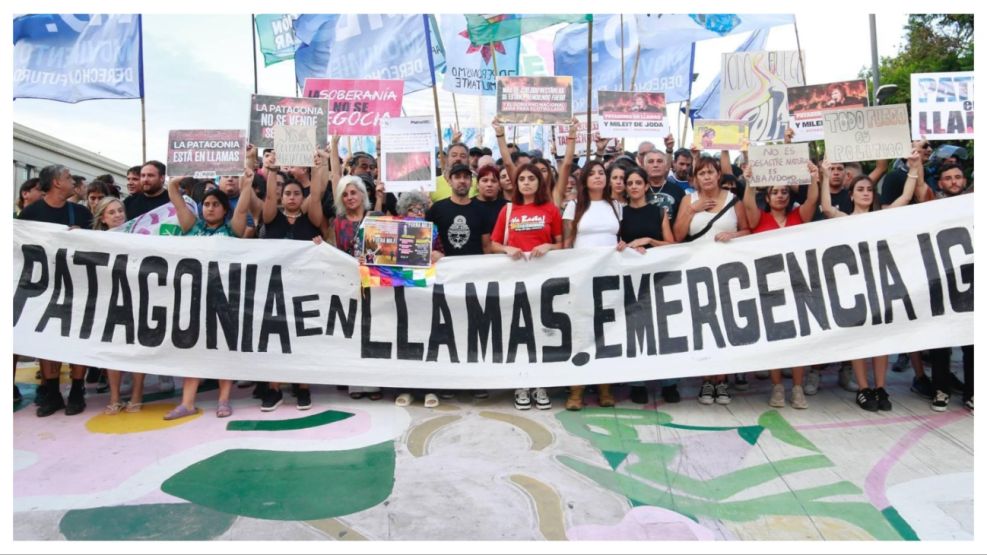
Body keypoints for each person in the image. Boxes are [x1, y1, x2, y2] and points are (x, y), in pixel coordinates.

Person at [820, 151, 921, 412]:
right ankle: (864, 388)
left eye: (869, 189)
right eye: (860, 189)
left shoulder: (883, 215)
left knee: (882, 338)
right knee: (860, 338)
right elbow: (828, 208)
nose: (866, 193)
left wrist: (913, 167)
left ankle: (880, 387)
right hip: (855, 286)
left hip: (881, 284)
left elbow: (906, 197)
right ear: (851, 195)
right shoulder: (844, 218)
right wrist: (822, 175)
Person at [161, 170, 252, 421]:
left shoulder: (233, 229)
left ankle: (223, 400)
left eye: (215, 205)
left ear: (224, 210)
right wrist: (177, 180)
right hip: (195, 298)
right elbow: (175, 197)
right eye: (206, 204)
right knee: (194, 348)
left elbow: (243, 208)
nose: (210, 208)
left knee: (224, 349)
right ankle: (187, 403)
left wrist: (248, 182)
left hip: (225, 298)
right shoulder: (191, 226)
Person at [254, 145, 329, 412]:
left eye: (297, 193)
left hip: (304, 288)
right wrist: (272, 171)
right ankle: (274, 390)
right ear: (281, 196)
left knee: (303, 337)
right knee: (275, 338)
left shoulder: (311, 217)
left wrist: (321, 165)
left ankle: (303, 388)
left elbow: (317, 193)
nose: (293, 197)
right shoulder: (271, 216)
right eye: (288, 193)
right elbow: (269, 199)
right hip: (274, 288)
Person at [672, 156, 751, 406]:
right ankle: (707, 380)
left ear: (718, 175)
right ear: (695, 178)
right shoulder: (688, 200)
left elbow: (748, 230)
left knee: (726, 325)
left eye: (710, 172)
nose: (706, 177)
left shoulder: (733, 200)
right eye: (701, 173)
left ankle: (722, 380)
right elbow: (677, 235)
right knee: (704, 326)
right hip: (698, 272)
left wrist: (734, 234)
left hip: (728, 272)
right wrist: (692, 210)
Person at [742, 161, 820, 409]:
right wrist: (749, 182)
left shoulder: (799, 216)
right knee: (775, 339)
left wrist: (814, 178)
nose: (780, 195)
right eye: (775, 192)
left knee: (798, 339)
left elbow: (812, 201)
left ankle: (797, 389)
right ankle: (777, 387)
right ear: (768, 195)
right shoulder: (759, 218)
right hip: (768, 287)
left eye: (784, 191)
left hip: (797, 285)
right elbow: (747, 204)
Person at [18, 165, 94, 417]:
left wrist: (82, 237)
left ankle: (76, 390)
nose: (73, 181)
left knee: (77, 338)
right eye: (68, 178)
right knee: (48, 339)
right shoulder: (31, 213)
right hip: (44, 286)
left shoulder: (81, 213)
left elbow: (98, 247)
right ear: (56, 183)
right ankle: (51, 393)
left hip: (78, 286)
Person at [490, 163, 563, 411]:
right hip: (515, 282)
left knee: (542, 332)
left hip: (544, 282)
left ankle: (540, 384)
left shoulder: (550, 210)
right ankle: (520, 384)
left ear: (539, 182)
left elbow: (561, 244)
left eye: (532, 178)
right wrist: (506, 248)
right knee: (518, 333)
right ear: (516, 183)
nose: (527, 182)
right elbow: (493, 243)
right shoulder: (508, 210)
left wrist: (549, 247)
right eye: (522, 178)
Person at [560, 159, 622, 411]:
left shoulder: (617, 205)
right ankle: (577, 390)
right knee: (582, 331)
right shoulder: (573, 206)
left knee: (606, 330)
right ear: (584, 180)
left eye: (601, 173)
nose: (598, 177)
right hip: (582, 277)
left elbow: (620, 237)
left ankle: (604, 387)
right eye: (592, 174)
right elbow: (566, 243)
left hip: (610, 276)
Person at [914, 162, 974, 412]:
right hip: (941, 281)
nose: (953, 182)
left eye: (958, 177)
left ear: (964, 181)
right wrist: (916, 161)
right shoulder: (932, 203)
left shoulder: (974, 203)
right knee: (941, 338)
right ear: (940, 183)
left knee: (972, 341)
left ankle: (973, 392)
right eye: (948, 178)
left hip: (971, 281)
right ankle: (941, 389)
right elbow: (918, 187)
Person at [616, 166, 679, 404]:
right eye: (629, 183)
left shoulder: (659, 212)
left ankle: (669, 383)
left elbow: (671, 244)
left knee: (663, 330)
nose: (633, 187)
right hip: (631, 279)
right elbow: (616, 244)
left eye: (637, 183)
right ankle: (637, 383)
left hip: (659, 278)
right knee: (635, 330)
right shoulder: (620, 214)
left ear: (645, 186)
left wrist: (650, 241)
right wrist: (628, 246)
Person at [89, 197, 147, 414]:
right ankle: (114, 397)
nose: (117, 215)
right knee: (112, 350)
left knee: (136, 348)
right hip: (109, 297)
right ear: (102, 218)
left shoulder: (140, 236)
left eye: (120, 210)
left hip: (136, 295)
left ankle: (137, 394)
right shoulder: (93, 240)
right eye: (111, 212)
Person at [427, 163, 492, 256]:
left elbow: (486, 246)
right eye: (457, 177)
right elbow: (424, 239)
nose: (462, 181)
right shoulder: (437, 209)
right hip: (445, 267)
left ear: (471, 182)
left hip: (475, 267)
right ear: (449, 181)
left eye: (466, 177)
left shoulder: (482, 210)